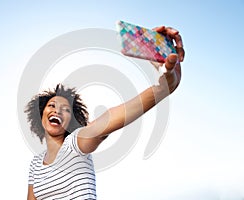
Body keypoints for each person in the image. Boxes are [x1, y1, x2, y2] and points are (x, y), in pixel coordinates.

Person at [25, 26, 185, 200]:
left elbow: (112, 117)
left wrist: (164, 88)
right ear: (41, 114)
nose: (57, 110)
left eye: (66, 109)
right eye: (52, 106)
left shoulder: (75, 144)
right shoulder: (35, 163)